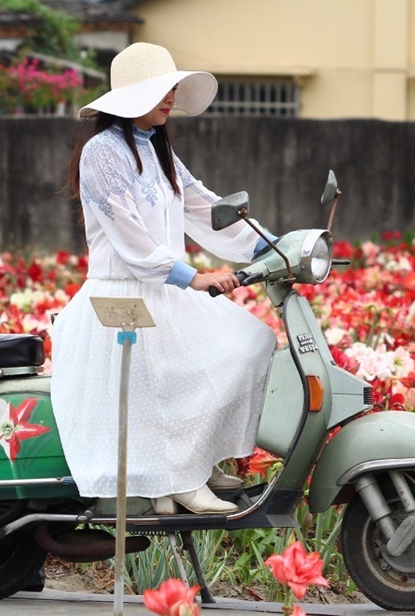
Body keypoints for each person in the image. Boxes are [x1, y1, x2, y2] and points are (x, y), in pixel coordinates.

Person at [51, 42, 277, 515]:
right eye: (162, 89)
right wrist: (191, 278)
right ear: (132, 97)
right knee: (173, 381)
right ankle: (180, 479)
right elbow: (130, 239)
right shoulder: (102, 153)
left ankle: (193, 463)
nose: (172, 96)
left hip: (165, 288)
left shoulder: (157, 151)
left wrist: (269, 246)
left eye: (173, 87)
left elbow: (204, 206)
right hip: (126, 295)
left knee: (250, 343)